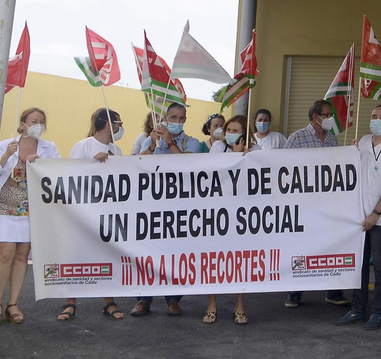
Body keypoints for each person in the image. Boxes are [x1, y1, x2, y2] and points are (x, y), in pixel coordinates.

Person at [336, 105, 381, 330]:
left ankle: (379, 311)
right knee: (359, 263)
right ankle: (358, 308)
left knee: (380, 264)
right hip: (359, 215)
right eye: (374, 116)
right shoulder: (364, 142)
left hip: (380, 218)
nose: (377, 120)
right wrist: (351, 152)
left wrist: (376, 213)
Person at [0, 108, 58, 325]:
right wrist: (6, 156)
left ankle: (13, 303)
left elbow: (57, 173)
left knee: (22, 256)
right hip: (5, 208)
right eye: (34, 121)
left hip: (31, 210)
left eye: (42, 121)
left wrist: (42, 164)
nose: (39, 125)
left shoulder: (49, 148)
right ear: (22, 124)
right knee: (5, 254)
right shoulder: (5, 145)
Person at [133, 101, 202, 316]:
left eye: (181, 119)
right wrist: (152, 145)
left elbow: (187, 165)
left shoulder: (192, 142)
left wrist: (170, 141)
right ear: (165, 118)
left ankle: (173, 300)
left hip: (178, 207)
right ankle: (143, 299)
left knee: (175, 254)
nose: (177, 122)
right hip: (150, 206)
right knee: (146, 253)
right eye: (173, 118)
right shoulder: (149, 140)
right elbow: (135, 164)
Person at [64, 108, 127, 322]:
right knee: (76, 256)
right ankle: (70, 302)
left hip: (107, 211)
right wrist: (91, 163)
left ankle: (109, 301)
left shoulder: (116, 150)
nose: (120, 128)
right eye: (118, 123)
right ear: (109, 125)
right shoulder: (83, 146)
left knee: (107, 255)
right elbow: (70, 175)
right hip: (84, 212)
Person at [284, 100, 348, 308]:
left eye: (331, 115)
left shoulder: (332, 139)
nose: (330, 118)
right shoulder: (296, 138)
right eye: (327, 115)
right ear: (315, 117)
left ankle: (333, 291)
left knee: (329, 244)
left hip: (327, 203)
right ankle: (295, 291)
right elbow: (283, 167)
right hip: (303, 203)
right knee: (301, 246)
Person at [204, 116, 250, 324]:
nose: (230, 133)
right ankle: (211, 305)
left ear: (244, 133)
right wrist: (235, 157)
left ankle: (239, 306)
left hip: (241, 213)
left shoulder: (254, 150)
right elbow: (213, 172)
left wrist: (245, 156)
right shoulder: (218, 148)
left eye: (235, 130)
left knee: (239, 259)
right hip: (218, 210)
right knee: (214, 258)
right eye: (228, 129)